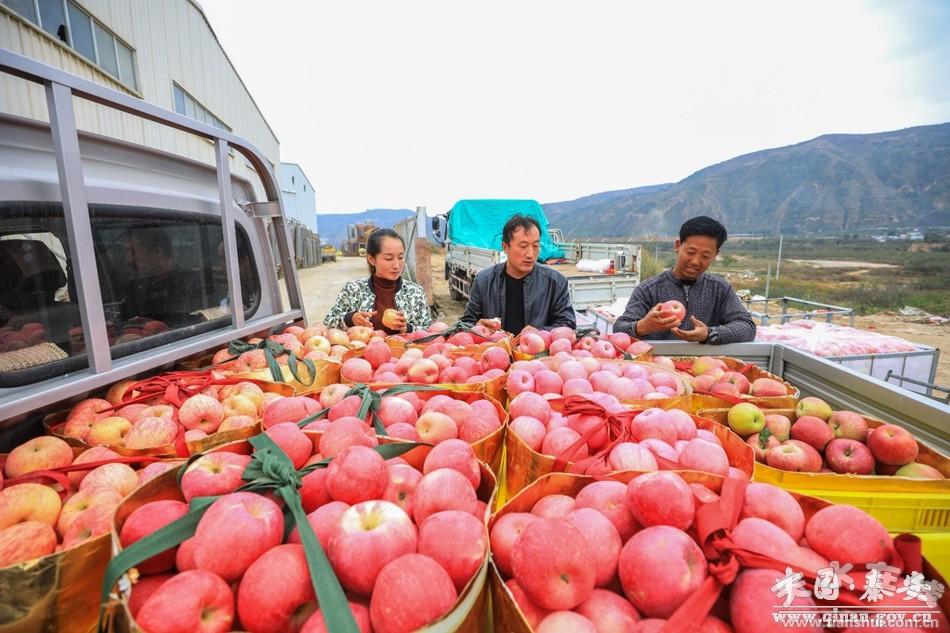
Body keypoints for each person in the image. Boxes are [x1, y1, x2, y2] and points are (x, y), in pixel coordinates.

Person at [613, 215, 756, 344]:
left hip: (704, 368)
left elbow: (747, 326)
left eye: (705, 256)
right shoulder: (649, 289)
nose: (695, 261)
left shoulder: (720, 289)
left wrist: (709, 334)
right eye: (690, 252)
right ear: (677, 246)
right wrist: (642, 327)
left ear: (715, 255)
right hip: (657, 367)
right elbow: (619, 329)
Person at [461, 215, 575, 332]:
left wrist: (541, 333)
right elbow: (466, 323)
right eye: (523, 246)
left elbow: (567, 324)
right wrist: (475, 327)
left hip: (538, 350)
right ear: (505, 247)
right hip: (495, 349)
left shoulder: (556, 282)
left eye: (536, 246)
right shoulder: (484, 281)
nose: (530, 254)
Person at [324, 228, 432, 333]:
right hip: (363, 350)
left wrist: (406, 328)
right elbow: (328, 323)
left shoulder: (416, 292)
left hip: (406, 351)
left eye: (400, 257)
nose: (396, 265)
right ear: (371, 259)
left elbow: (429, 330)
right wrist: (350, 319)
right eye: (389, 258)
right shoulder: (353, 290)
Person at [121, 230, 201, 326]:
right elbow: (124, 321)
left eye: (133, 252)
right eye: (127, 251)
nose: (128, 260)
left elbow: (187, 327)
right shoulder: (135, 285)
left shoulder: (191, 282)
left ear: (157, 252)